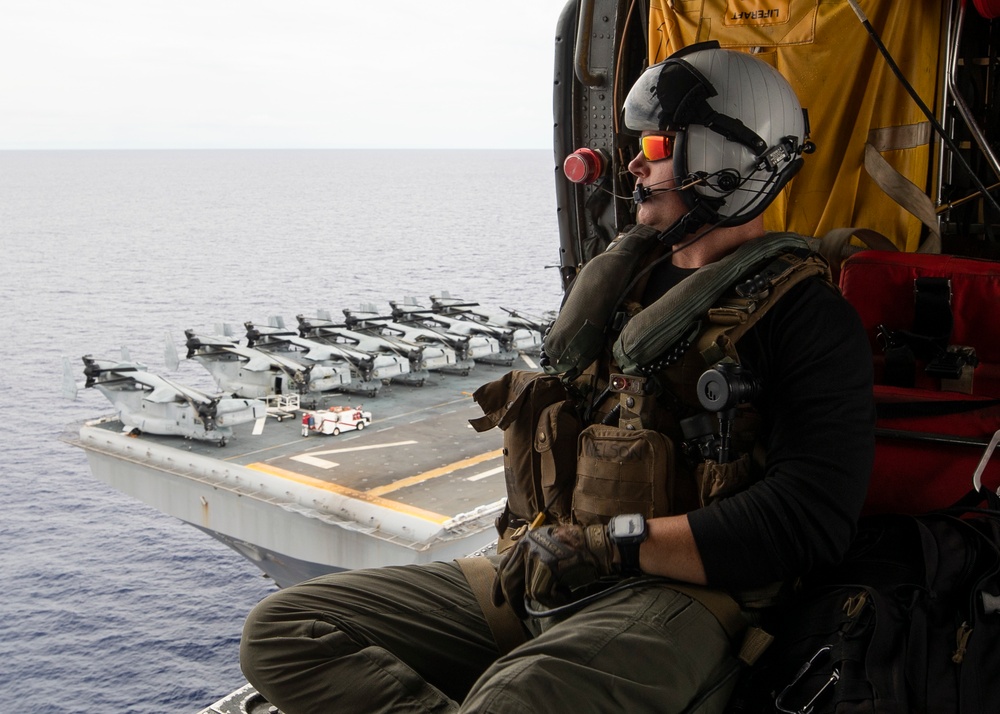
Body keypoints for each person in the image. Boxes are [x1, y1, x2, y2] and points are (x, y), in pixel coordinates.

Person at [239, 42, 875, 714]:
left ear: (723, 162)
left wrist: (614, 547)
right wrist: (569, 549)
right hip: (546, 568)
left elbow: (809, 519)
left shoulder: (807, 316)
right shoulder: (626, 285)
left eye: (656, 144)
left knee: (513, 699)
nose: (633, 162)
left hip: (685, 597)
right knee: (283, 632)